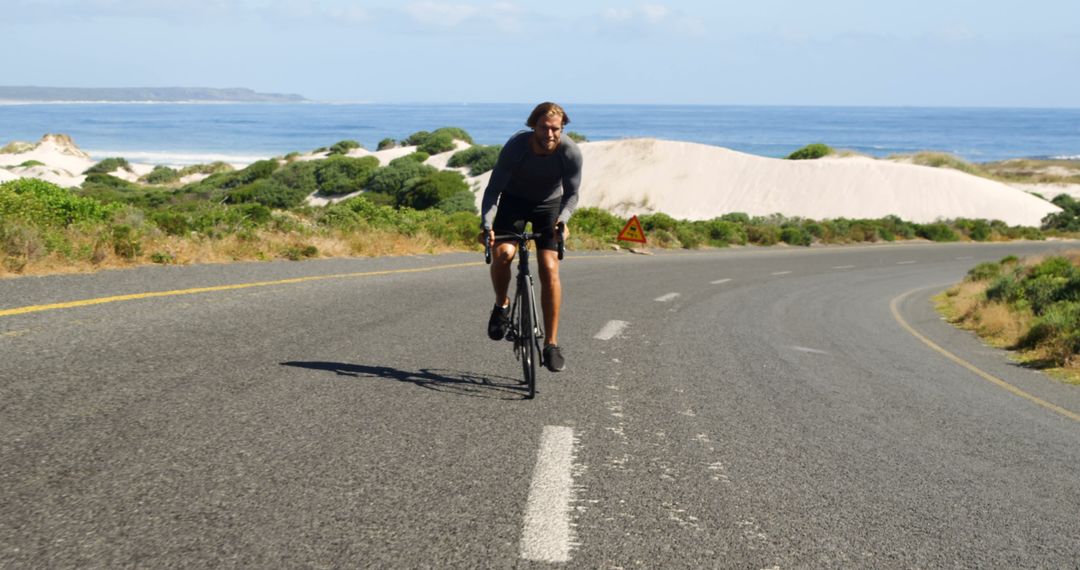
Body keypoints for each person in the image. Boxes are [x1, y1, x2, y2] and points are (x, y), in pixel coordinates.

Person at [479, 102, 583, 372]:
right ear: (533, 127)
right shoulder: (516, 147)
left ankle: (551, 343)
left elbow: (572, 194)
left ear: (562, 129)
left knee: (549, 268)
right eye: (544, 128)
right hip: (513, 202)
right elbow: (492, 191)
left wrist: (563, 220)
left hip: (549, 206)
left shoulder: (569, 151)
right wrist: (487, 225)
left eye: (555, 129)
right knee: (503, 255)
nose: (550, 134)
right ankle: (501, 304)